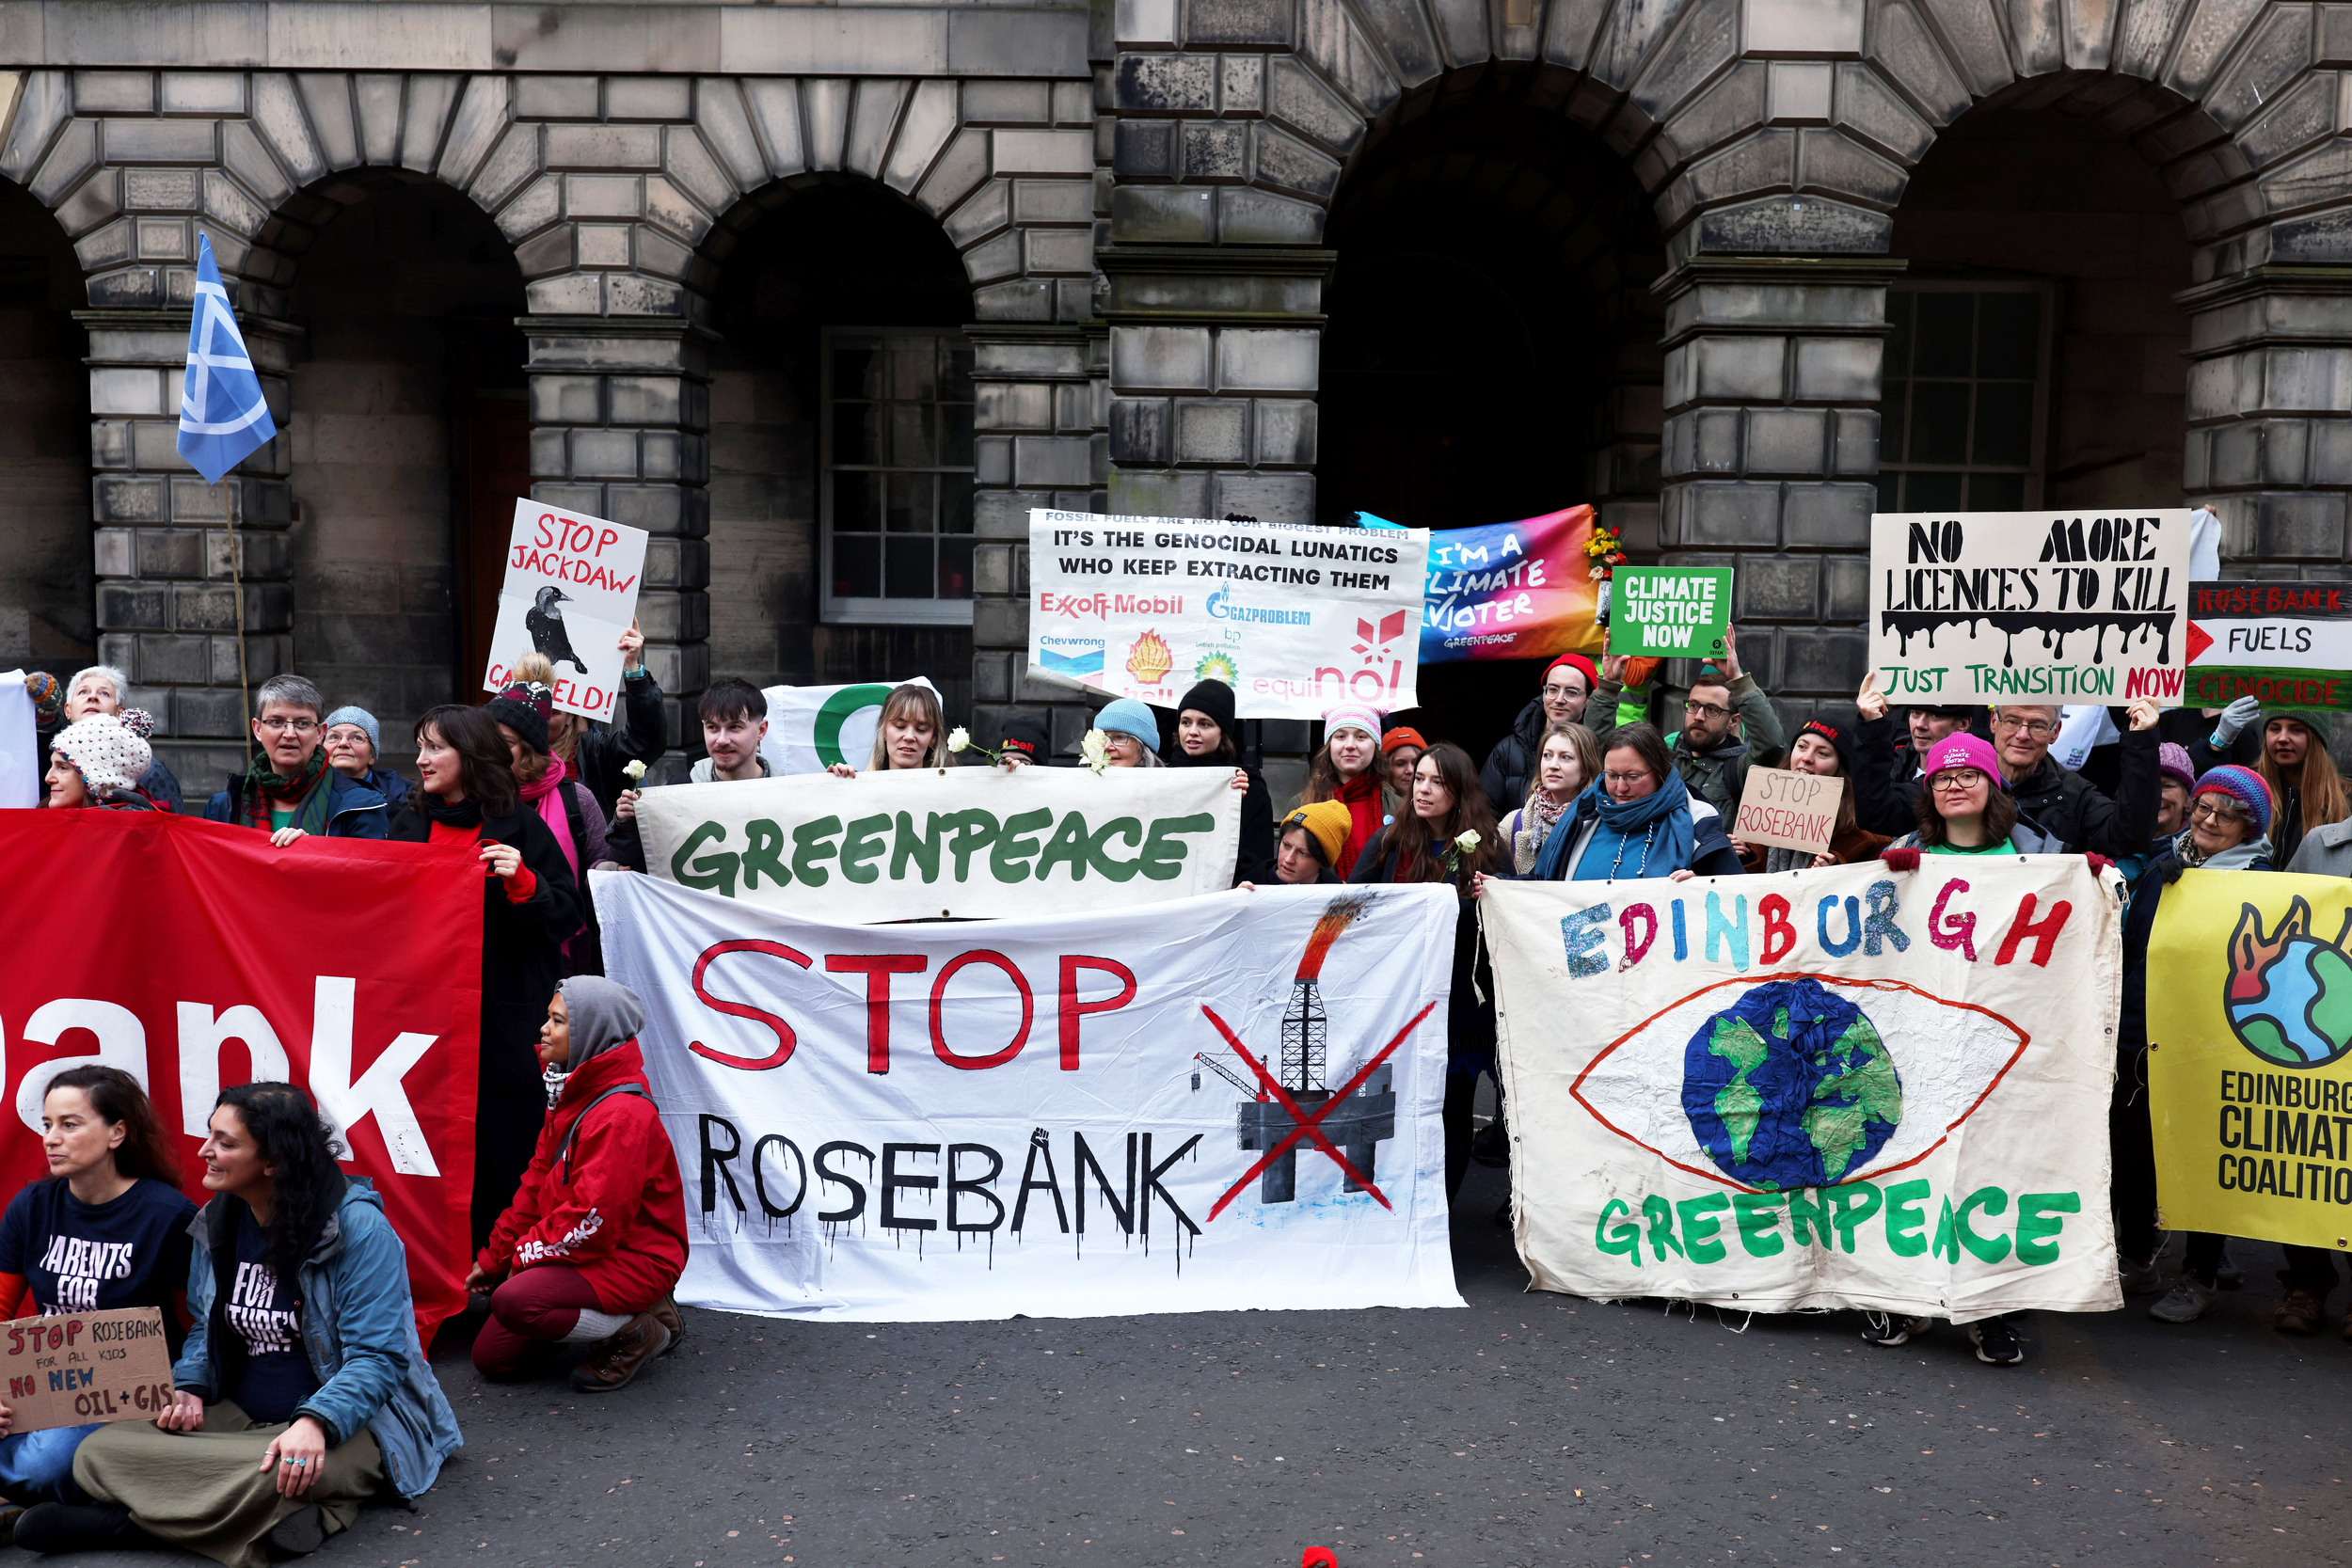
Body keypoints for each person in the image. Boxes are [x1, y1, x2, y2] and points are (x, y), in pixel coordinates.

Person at [34, 1085, 462, 1564]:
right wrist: (191, 1386)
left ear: (273, 1161)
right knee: (99, 1451)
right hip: (238, 1418)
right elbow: (203, 1327)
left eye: (226, 1142)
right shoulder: (215, 1221)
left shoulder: (358, 1230)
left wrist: (314, 1422)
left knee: (283, 1470)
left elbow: (378, 1359)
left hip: (351, 1425)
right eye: (210, 1136)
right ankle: (299, 1514)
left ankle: (125, 1525)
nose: (205, 1150)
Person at [388, 705, 580, 1247]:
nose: (421, 760)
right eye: (420, 746)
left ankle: (497, 1264)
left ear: (469, 756)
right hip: (422, 1022)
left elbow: (567, 915)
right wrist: (299, 852)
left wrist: (524, 883)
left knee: (501, 1147)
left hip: (500, 1026)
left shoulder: (521, 826)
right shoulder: (408, 822)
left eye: (434, 748)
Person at [0, 1069, 195, 1532]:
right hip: (39, 1382)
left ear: (117, 1132)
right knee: (40, 1456)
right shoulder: (31, 1207)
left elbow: (199, 1323)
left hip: (124, 1395)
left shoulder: (167, 1215)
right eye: (47, 1125)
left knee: (47, 1462)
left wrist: (188, 1388)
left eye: (70, 1124)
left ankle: (53, 1498)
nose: (51, 1139)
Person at [469, 978, 687, 1393]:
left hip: (636, 1256)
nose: (543, 1030)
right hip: (586, 1249)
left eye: (557, 1021)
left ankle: (639, 1331)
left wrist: (521, 1259)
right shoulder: (571, 1092)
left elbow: (595, 1220)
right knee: (493, 1360)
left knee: (517, 1302)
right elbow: (535, 1185)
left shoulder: (620, 1115)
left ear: (590, 1034)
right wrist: (494, 1259)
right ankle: (628, 1311)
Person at [2115, 766, 2276, 1327]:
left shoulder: (2262, 881)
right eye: (2204, 806)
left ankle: (2200, 1275)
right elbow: (2134, 949)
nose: (2209, 819)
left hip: (2211, 1040)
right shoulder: (2165, 866)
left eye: (2226, 812)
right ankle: (2137, 1258)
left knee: (2207, 1157)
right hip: (2142, 1031)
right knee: (2132, 1149)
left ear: (2248, 826)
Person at [1345, 742, 1505, 1197]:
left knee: (1450, 1112)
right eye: (1419, 779)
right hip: (1398, 1000)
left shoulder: (1485, 849)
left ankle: (1442, 1217)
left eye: (1438, 782)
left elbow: (1509, 914)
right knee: (1396, 1109)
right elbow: (1351, 909)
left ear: (1460, 792)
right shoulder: (1388, 842)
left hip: (1458, 1007)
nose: (1425, 790)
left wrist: (1489, 895)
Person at [1518, 723, 1745, 881]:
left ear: (1659, 773)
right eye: (1611, 775)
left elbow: (1736, 898)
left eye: (1632, 777)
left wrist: (1701, 888)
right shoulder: (1582, 814)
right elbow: (1543, 883)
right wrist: (1499, 885)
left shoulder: (1697, 822)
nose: (1620, 787)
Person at [487, 681, 610, 975]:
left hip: (558, 950)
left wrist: (608, 872)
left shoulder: (577, 800)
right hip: (494, 951)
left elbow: (598, 861)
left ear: (528, 750)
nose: (489, 750)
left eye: (503, 742)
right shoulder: (473, 799)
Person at [606, 678, 773, 872]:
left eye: (735, 727)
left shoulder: (791, 795)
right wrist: (626, 825)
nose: (722, 740)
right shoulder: (676, 791)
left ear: (761, 730)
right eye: (712, 728)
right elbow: (635, 870)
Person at [202, 676, 388, 844]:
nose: (289, 734)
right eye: (276, 722)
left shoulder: (361, 805)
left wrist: (312, 854)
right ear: (257, 729)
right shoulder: (220, 807)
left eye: (302, 723)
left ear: (320, 733)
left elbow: (369, 878)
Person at [518, 622, 664, 820]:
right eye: (531, 708)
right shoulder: (500, 754)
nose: (538, 718)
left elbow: (644, 740)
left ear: (570, 716)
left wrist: (632, 668)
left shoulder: (595, 754)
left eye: (551, 712)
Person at [1982, 701, 2159, 857]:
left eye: (2038, 726)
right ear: (1993, 722)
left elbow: (2129, 837)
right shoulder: (1961, 779)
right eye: (2012, 721)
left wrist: (2141, 743)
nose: (2022, 735)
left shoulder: (2074, 794)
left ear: (2055, 732)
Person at [1735, 716, 1889, 872]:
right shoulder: (1759, 813)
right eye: (1802, 746)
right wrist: (1743, 856)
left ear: (1840, 767)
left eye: (1822, 753)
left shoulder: (1864, 835)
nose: (1807, 758)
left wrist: (1836, 871)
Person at [1171, 679, 1275, 885]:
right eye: (1186, 722)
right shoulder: (1160, 775)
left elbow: (1256, 860)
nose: (1192, 731)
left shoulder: (1247, 785)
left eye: (1204, 724)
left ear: (1223, 732)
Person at [1482, 654, 1597, 812]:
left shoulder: (1597, 747)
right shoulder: (1507, 750)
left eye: (1571, 692)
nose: (1559, 699)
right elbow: (1484, 814)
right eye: (1552, 689)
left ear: (1588, 700)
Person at [61, 666, 181, 812]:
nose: (92, 697)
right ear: (67, 710)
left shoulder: (149, 770)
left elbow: (176, 827)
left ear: (120, 712)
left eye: (104, 693)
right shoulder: (55, 765)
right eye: (83, 692)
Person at [1297, 704, 1386, 878]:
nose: (1350, 745)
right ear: (1329, 744)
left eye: (1361, 736)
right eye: (1340, 736)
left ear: (1375, 745)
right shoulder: (1302, 805)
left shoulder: (1399, 806)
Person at [1500, 723, 1599, 875]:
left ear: (1585, 769)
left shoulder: (1599, 823)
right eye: (1547, 755)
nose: (1553, 765)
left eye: (1565, 757)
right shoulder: (1513, 824)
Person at [2254, 708, 2345, 867]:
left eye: (2296, 730)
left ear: (2315, 738)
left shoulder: (2345, 800)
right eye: (2275, 729)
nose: (2282, 738)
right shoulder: (2247, 792)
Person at [41, 716, 165, 812]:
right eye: (52, 765)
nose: (48, 778)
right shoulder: (37, 820)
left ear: (96, 780)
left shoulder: (137, 832)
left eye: (62, 767)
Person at [828, 682, 952, 776]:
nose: (909, 737)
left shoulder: (952, 790)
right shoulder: (860, 788)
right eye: (900, 726)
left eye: (921, 729)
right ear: (883, 731)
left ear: (933, 738)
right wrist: (839, 788)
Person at [318, 708, 411, 812]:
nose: (343, 743)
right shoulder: (304, 789)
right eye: (334, 736)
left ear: (372, 756)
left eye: (357, 738)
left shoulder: (406, 796)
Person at [1271, 802, 1349, 885]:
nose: (1288, 859)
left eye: (1303, 853)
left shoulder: (1338, 894)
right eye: (1286, 845)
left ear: (1323, 862)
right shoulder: (1257, 881)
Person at [1091, 697, 1164, 768]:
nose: (1107, 746)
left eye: (1120, 737)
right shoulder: (1082, 779)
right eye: (1102, 738)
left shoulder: (1167, 779)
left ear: (1144, 746)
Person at [1380, 726, 1426, 816]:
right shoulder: (1379, 806)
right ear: (1385, 769)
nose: (1410, 770)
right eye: (1400, 764)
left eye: (1416, 763)